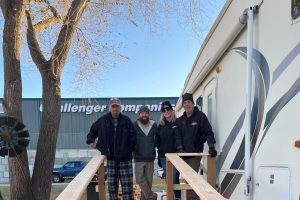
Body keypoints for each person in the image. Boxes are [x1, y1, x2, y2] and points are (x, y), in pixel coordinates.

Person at [86, 98, 136, 200]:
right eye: (113, 106)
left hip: (125, 160)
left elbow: (133, 138)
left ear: (120, 108)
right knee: (112, 188)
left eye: (117, 106)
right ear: (109, 108)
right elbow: (92, 131)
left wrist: (128, 150)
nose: (115, 109)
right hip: (111, 159)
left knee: (127, 188)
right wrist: (91, 142)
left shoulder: (127, 120)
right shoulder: (102, 120)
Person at [176, 92, 217, 200]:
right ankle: (193, 197)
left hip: (195, 154)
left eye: (189, 102)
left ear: (193, 103)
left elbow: (208, 132)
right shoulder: (180, 120)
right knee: (187, 179)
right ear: (183, 105)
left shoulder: (200, 116)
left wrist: (211, 146)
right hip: (183, 155)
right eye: (185, 103)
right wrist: (180, 148)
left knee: (191, 178)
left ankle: (194, 198)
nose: (187, 105)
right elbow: (178, 137)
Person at [156, 101, 181, 199]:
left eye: (168, 109)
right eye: (163, 110)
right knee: (168, 179)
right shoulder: (160, 125)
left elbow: (181, 138)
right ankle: (171, 197)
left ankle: (177, 197)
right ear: (162, 112)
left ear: (171, 110)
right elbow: (157, 142)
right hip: (163, 157)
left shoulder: (178, 122)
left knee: (174, 180)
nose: (166, 111)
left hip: (175, 156)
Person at [133, 105, 158, 200]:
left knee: (148, 182)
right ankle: (152, 197)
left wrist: (154, 146)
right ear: (139, 114)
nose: (144, 115)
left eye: (146, 113)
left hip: (150, 157)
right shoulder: (134, 124)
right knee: (139, 179)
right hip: (138, 157)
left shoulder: (153, 124)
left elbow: (158, 138)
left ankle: (144, 198)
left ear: (149, 114)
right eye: (142, 113)